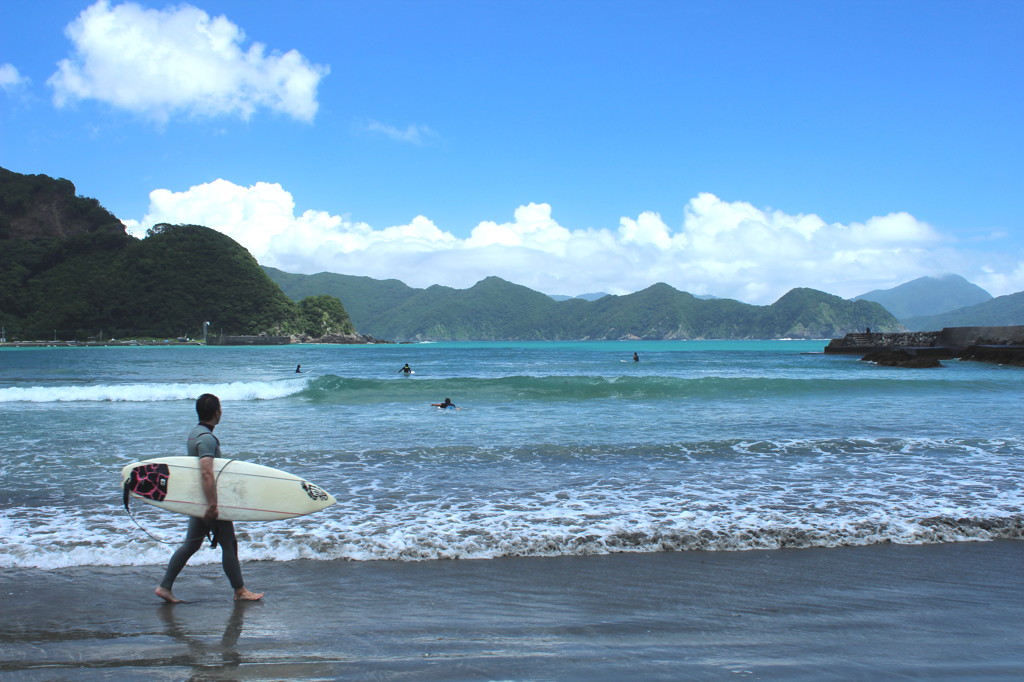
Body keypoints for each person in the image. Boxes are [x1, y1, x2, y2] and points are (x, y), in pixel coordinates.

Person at [155, 394, 263, 603]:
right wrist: (213, 505)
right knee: (229, 544)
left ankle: (165, 586)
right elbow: (206, 472)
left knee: (192, 545)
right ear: (216, 412)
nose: (221, 411)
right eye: (220, 408)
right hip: (208, 501)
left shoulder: (194, 434)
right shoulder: (206, 438)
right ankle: (239, 591)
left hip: (199, 499)